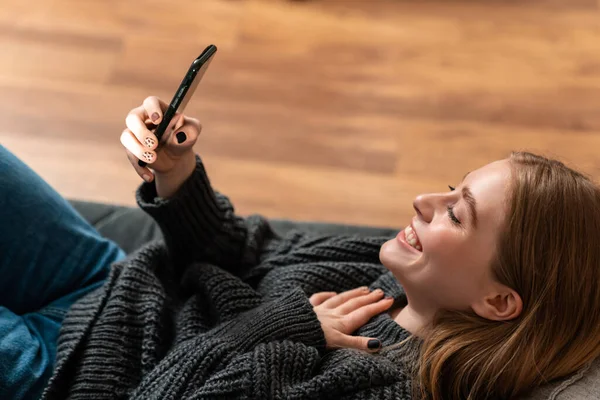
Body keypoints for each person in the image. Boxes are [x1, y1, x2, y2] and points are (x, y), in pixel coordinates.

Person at [2, 96, 600, 400]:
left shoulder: (385, 386)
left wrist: (278, 325)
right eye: (451, 188)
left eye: (457, 213)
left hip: (63, 375)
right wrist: (177, 172)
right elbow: (243, 249)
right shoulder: (390, 266)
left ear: (499, 302)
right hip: (108, 284)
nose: (422, 200)